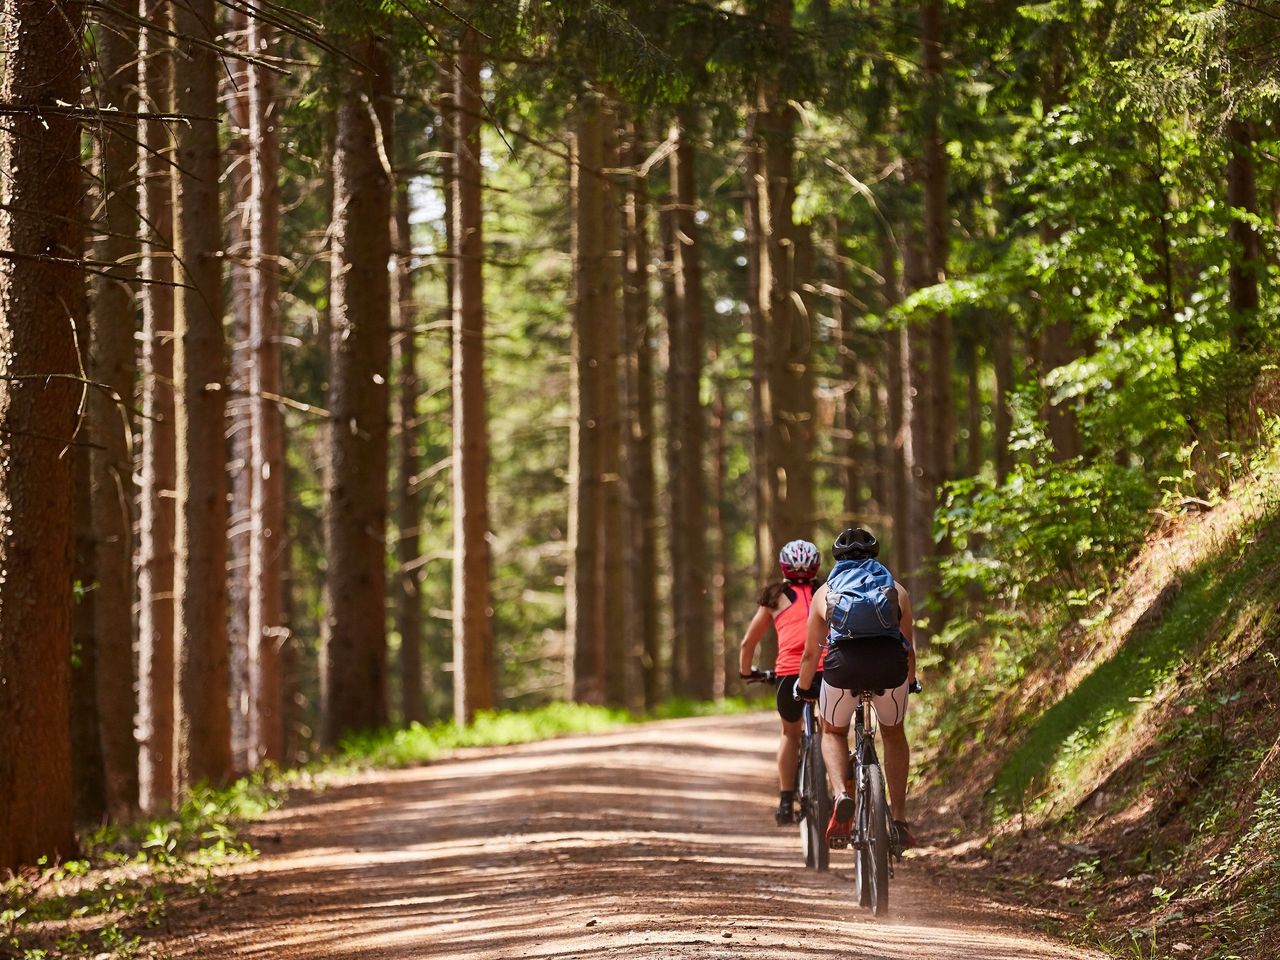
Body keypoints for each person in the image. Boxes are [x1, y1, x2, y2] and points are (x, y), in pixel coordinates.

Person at [795, 527, 918, 850]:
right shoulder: (897, 590)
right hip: (889, 667)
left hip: (843, 668)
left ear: (838, 558)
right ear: (874, 556)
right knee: (893, 734)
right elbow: (908, 648)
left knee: (833, 731)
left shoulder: (825, 592)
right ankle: (900, 820)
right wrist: (912, 681)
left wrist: (803, 687)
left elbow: (811, 653)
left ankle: (842, 795)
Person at [738, 539, 822, 826]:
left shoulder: (776, 597)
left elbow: (748, 641)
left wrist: (747, 671)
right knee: (836, 730)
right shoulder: (827, 591)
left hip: (790, 674)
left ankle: (786, 801)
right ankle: (844, 786)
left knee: (791, 734)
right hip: (829, 670)